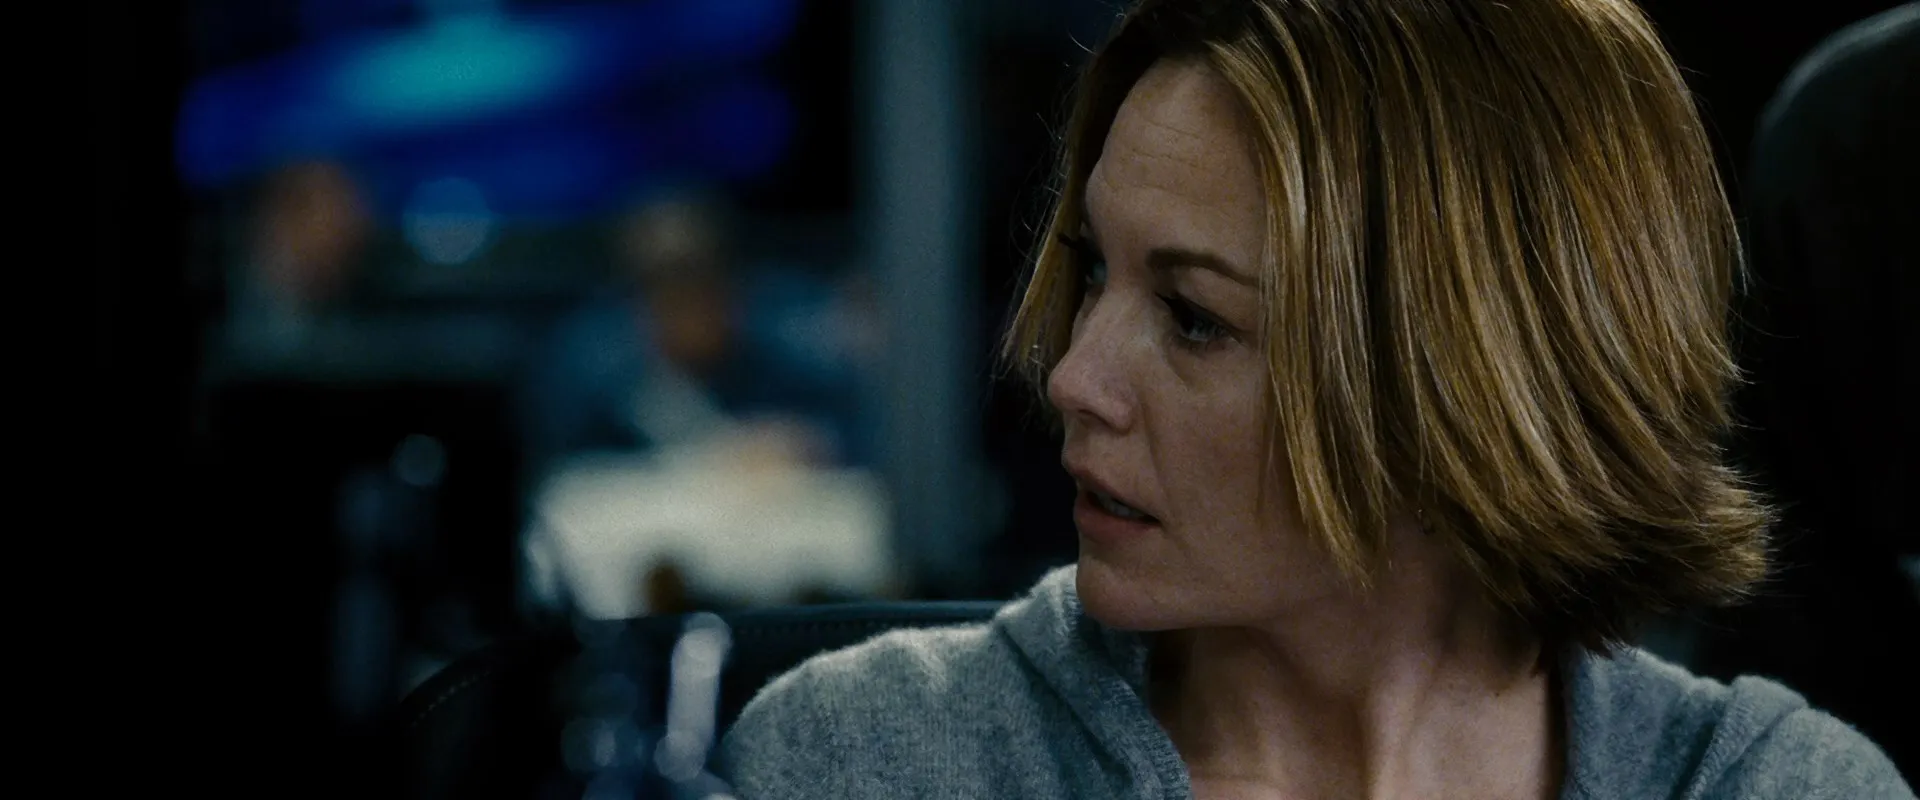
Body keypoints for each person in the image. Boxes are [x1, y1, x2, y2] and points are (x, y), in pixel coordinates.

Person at [718, 1, 1913, 798]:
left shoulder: (1782, 783)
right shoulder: (865, 759)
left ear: (1470, 384)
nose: (1074, 375)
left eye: (1195, 316)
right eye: (1092, 271)